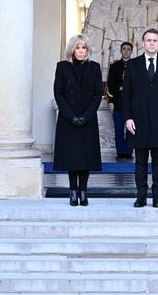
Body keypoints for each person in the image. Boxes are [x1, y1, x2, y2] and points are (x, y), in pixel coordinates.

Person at [122, 28, 158, 208]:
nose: (152, 43)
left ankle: (157, 197)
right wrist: (128, 118)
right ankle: (140, 196)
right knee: (139, 162)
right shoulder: (132, 64)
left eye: (155, 40)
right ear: (143, 43)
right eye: (148, 40)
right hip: (137, 121)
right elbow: (126, 94)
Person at [53, 34, 102, 206]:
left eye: (84, 48)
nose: (81, 51)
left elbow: (98, 94)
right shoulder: (62, 67)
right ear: (72, 50)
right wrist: (70, 115)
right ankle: (73, 191)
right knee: (72, 158)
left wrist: (86, 115)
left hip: (87, 119)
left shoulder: (95, 67)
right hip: (69, 119)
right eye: (78, 48)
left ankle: (84, 192)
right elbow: (58, 93)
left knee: (85, 158)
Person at [106, 41, 134, 161]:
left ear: (131, 51)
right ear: (121, 50)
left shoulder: (136, 65)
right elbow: (110, 84)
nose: (126, 51)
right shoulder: (114, 66)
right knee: (118, 129)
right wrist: (110, 101)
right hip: (118, 102)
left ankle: (128, 152)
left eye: (128, 49)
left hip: (132, 103)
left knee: (131, 129)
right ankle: (120, 152)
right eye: (124, 49)